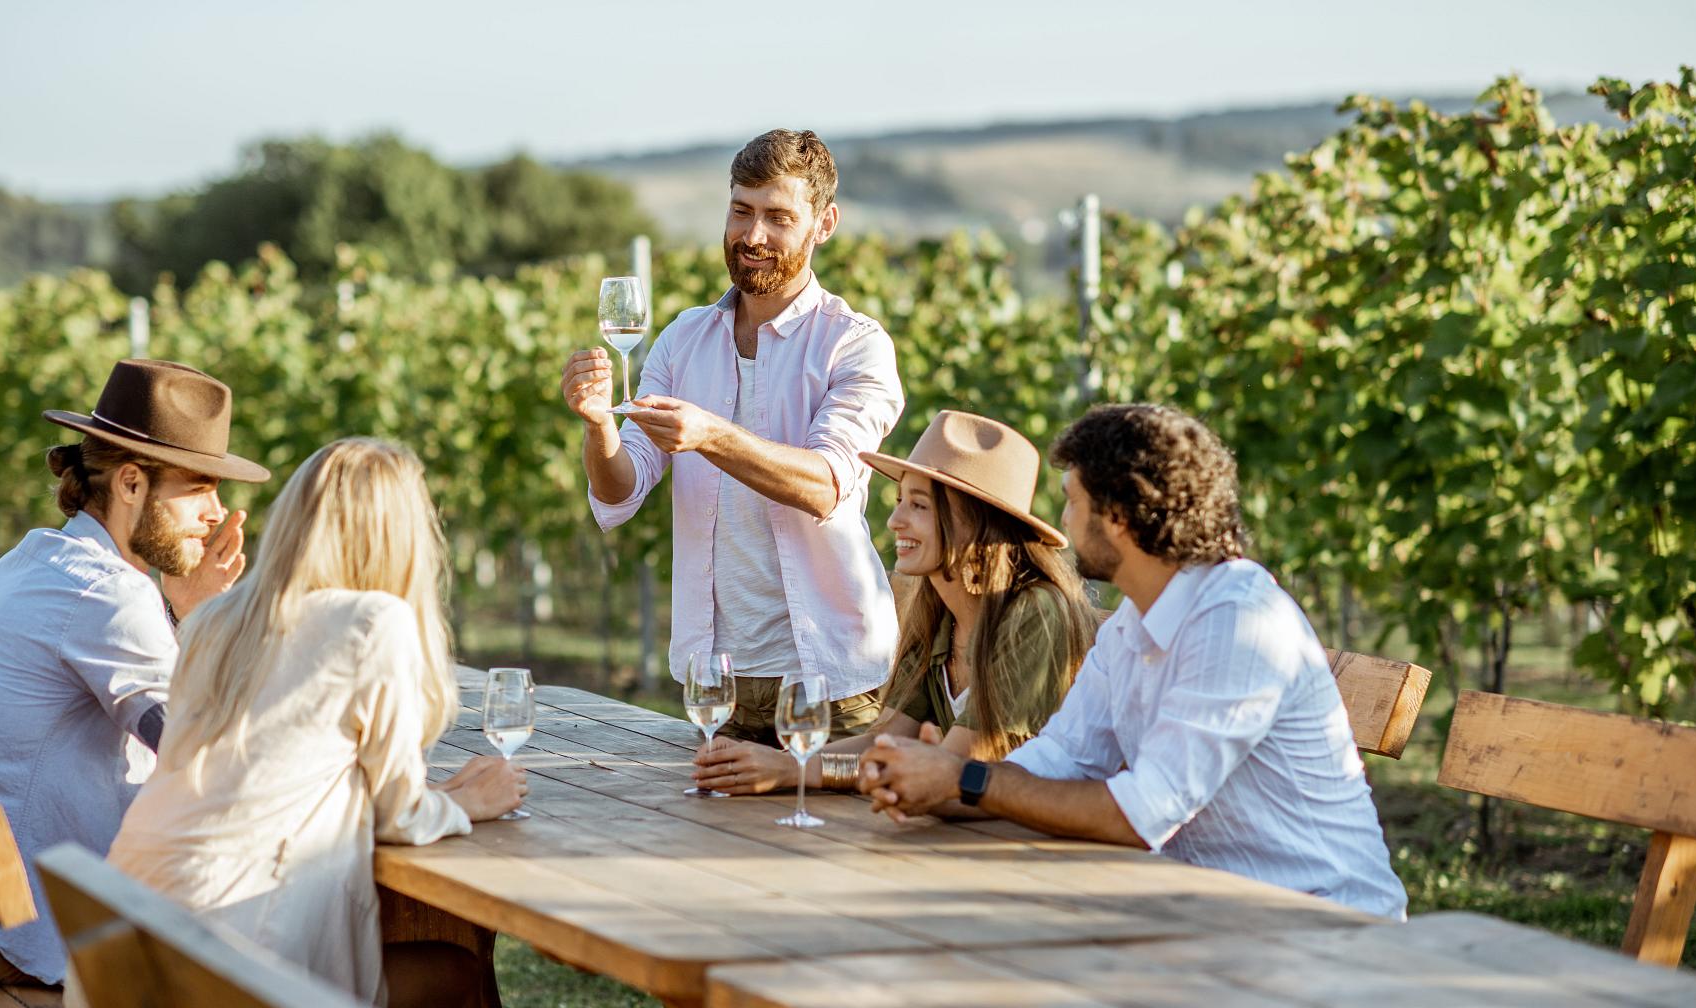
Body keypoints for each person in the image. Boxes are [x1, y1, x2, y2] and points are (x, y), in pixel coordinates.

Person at [860, 404, 1408, 920]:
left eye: (1073, 501)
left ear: (1117, 516)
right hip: (1207, 911)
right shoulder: (1131, 626)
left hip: (1323, 919)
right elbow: (1059, 760)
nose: (1065, 521)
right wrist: (945, 784)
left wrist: (966, 779)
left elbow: (1142, 813)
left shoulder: (1238, 622)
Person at [65, 437, 526, 1008]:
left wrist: (433, 793)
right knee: (457, 977)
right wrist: (468, 803)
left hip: (113, 978)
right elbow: (398, 816)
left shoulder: (212, 620)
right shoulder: (371, 622)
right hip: (222, 986)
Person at [0, 358, 270, 987]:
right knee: (304, 958)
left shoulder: (38, 559)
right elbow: (202, 753)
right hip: (13, 942)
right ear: (130, 484)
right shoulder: (109, 595)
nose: (217, 512)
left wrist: (183, 611)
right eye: (198, 487)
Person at [560, 129, 903, 745]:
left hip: (831, 678)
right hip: (715, 678)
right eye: (741, 211)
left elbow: (826, 485)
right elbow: (620, 493)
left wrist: (712, 436)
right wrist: (598, 425)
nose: (753, 236)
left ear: (824, 224)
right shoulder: (683, 339)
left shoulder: (855, 344)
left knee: (841, 844)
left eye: (778, 217)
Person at [691, 411, 1096, 795]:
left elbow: (948, 768)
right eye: (901, 500)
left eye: (918, 505)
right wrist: (787, 766)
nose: (895, 520)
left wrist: (794, 770)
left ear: (973, 521)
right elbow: (885, 743)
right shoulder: (939, 614)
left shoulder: (1035, 612)